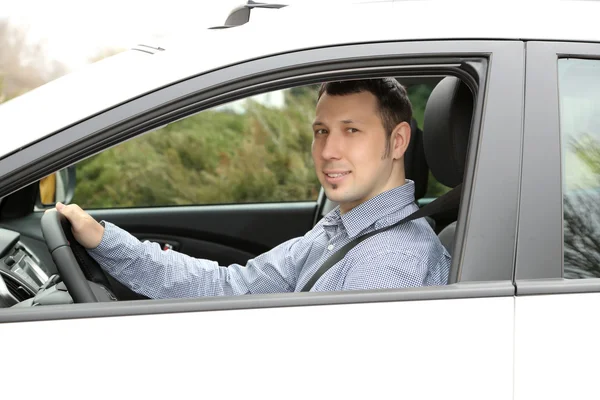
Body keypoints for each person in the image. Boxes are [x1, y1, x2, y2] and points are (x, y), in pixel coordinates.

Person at [56, 78, 451, 299]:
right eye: (321, 131)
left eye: (351, 131)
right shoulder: (341, 229)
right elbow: (230, 286)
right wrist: (104, 241)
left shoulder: (391, 259)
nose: (329, 151)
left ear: (398, 142)